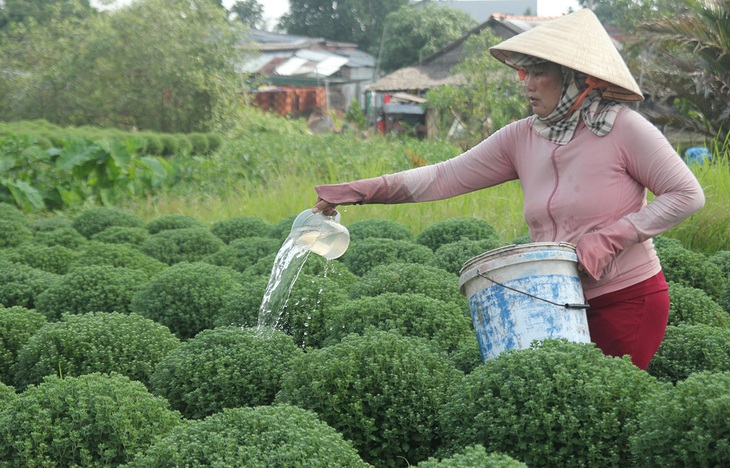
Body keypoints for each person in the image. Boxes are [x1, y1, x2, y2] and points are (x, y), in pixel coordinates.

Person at [311, 9, 705, 370]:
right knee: (553, 401)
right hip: (553, 298)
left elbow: (686, 195)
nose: (527, 85)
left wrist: (611, 238)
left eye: (538, 73)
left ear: (576, 77)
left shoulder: (623, 129)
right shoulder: (522, 137)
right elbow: (443, 176)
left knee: (599, 411)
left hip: (625, 299)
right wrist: (358, 190)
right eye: (523, 74)